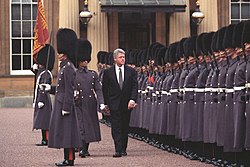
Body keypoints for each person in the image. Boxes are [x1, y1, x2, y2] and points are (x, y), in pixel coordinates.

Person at [44, 28, 81, 166]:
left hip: (65, 105)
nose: (58, 54)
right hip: (61, 103)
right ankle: (67, 158)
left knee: (68, 133)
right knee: (65, 132)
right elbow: (61, 88)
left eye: (60, 52)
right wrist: (50, 89)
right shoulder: (65, 67)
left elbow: (69, 90)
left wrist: (66, 107)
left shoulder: (68, 68)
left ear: (65, 53)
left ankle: (69, 159)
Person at [102, 48, 138, 157]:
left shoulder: (131, 71)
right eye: (120, 57)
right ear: (115, 59)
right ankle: (118, 149)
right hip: (114, 103)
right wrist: (106, 103)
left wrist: (132, 100)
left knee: (124, 126)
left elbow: (134, 86)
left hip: (127, 103)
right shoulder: (108, 72)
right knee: (116, 126)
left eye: (124, 57)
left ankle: (123, 148)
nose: (123, 59)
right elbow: (105, 89)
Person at [74, 39, 105, 158]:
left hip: (90, 103)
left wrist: (101, 103)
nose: (85, 61)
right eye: (83, 59)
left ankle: (85, 149)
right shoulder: (73, 73)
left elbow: (98, 89)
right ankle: (81, 148)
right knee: (80, 125)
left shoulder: (93, 74)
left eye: (86, 59)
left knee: (88, 126)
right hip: (78, 102)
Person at [33, 44, 55, 146]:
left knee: (44, 120)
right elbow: (36, 74)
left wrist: (41, 100)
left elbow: (43, 88)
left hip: (44, 99)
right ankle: (44, 138)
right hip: (40, 99)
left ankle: (46, 139)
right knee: (41, 119)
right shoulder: (41, 71)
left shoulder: (46, 73)